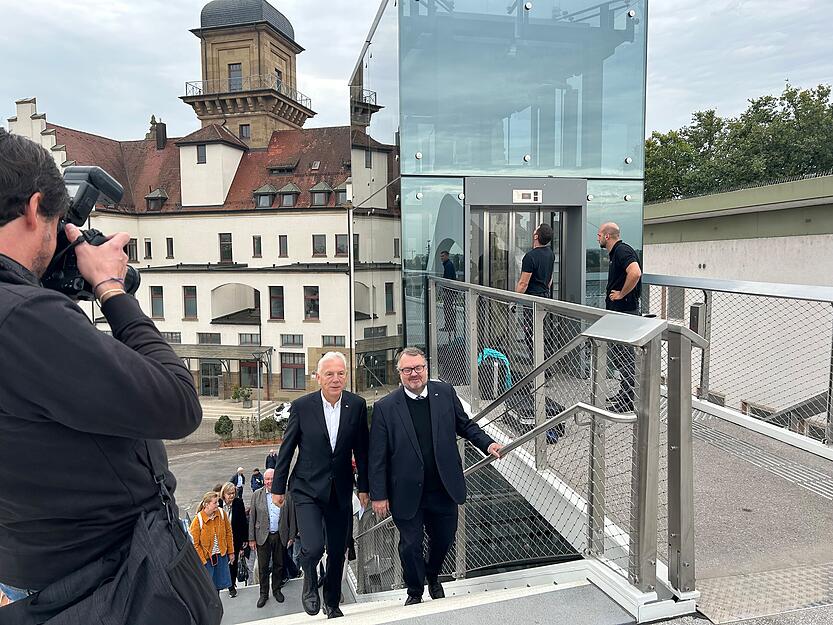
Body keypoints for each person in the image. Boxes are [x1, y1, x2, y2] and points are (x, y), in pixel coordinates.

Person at [0, 130, 220, 623]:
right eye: (57, 226)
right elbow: (178, 403)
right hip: (112, 582)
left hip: (31, 569)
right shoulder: (26, 320)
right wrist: (110, 288)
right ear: (35, 209)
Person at [369, 347, 503, 605]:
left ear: (426, 368)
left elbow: (464, 425)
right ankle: (415, 591)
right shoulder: (385, 407)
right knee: (410, 545)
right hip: (406, 492)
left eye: (418, 368)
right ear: (400, 374)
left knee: (445, 538)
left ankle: (433, 574)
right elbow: (377, 456)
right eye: (407, 370)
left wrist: (487, 444)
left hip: (443, 486)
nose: (414, 374)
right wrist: (379, 495)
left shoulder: (445, 393)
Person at [272, 352, 370, 619]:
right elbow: (287, 448)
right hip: (306, 488)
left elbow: (362, 450)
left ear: (346, 376)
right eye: (329, 374)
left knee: (338, 551)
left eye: (340, 373)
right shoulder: (302, 407)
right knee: (314, 547)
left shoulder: (357, 405)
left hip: (339, 490)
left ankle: (332, 602)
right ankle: (309, 581)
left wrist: (364, 487)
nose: (336, 379)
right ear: (317, 377)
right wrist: (278, 488)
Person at [598, 222, 643, 413]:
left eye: (599, 234)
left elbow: (635, 273)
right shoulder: (615, 253)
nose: (597, 238)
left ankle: (628, 400)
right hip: (620, 313)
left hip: (626, 312)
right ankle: (624, 394)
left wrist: (621, 294)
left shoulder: (622, 251)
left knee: (626, 358)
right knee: (620, 357)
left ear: (607, 236)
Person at [248, 468, 297, 608]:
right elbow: (252, 518)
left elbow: (292, 516)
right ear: (264, 480)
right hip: (262, 537)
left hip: (280, 535)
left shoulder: (286, 494)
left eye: (272, 479)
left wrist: (292, 536)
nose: (269, 482)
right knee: (263, 567)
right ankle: (263, 594)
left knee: (279, 565)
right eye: (267, 479)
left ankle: (276, 590)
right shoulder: (256, 495)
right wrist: (251, 538)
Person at [190, 492, 235, 595]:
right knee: (208, 589)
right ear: (206, 504)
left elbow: (228, 532)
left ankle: (216, 607)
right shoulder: (198, 520)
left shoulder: (221, 514)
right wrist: (203, 562)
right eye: (215, 503)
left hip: (221, 557)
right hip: (207, 560)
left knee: (218, 587)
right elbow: (194, 544)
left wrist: (231, 552)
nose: (218, 505)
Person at [221, 482, 248, 598]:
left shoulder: (238, 503)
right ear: (223, 494)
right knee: (222, 563)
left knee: (233, 562)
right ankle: (222, 583)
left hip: (234, 538)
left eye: (233, 493)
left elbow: (243, 522)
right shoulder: (218, 504)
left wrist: (244, 539)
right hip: (221, 539)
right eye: (229, 494)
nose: (231, 496)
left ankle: (232, 586)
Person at [515, 223, 555, 297]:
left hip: (532, 299)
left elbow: (523, 283)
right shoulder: (550, 253)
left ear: (536, 236)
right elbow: (550, 279)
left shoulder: (530, 256)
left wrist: (514, 300)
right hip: (545, 296)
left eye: (536, 229)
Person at [439, 251, 458, 334]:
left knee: (447, 308)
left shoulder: (448, 265)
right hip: (450, 291)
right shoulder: (448, 265)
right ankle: (450, 325)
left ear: (447, 256)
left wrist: (446, 290)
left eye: (443, 256)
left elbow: (449, 280)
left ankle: (449, 326)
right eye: (441, 256)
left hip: (449, 291)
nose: (441, 258)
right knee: (448, 308)